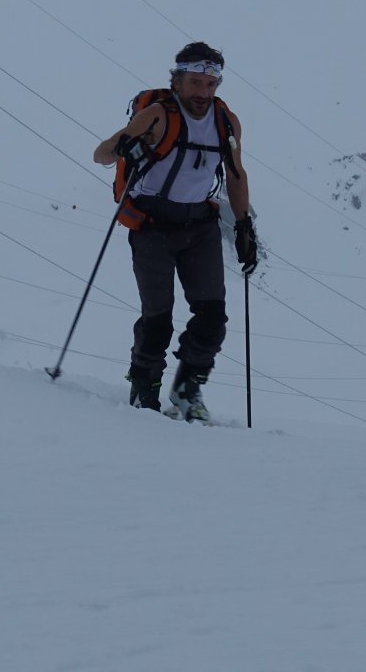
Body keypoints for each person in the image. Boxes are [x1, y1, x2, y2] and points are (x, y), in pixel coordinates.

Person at [92, 41, 259, 422]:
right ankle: (144, 389)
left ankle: (187, 388)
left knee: (213, 316)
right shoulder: (157, 114)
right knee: (158, 318)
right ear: (178, 80)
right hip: (152, 225)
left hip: (200, 224)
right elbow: (101, 155)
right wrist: (126, 147)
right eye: (196, 83)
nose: (203, 92)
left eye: (210, 84)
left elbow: (236, 174)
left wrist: (244, 226)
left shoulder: (226, 121)